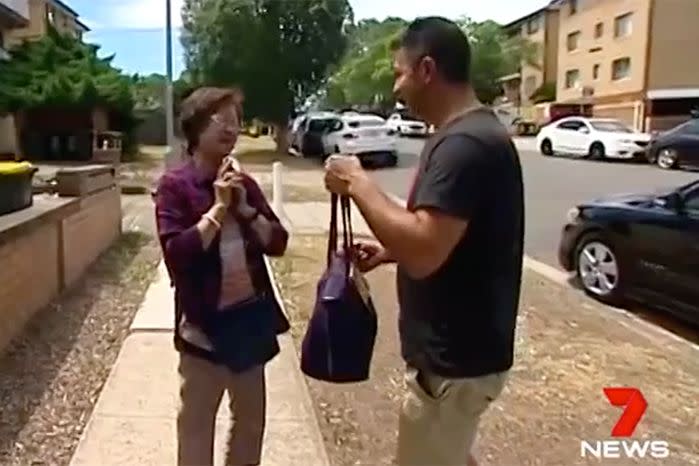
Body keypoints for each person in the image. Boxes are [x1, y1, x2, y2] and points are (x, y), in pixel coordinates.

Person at [324, 17, 525, 466]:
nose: (396, 87)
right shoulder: (462, 136)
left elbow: (425, 251)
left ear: (427, 70)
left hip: (455, 364)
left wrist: (357, 183)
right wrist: (389, 251)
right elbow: (451, 236)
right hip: (460, 361)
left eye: (400, 72)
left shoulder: (465, 145)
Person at [154, 86, 289, 466]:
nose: (232, 129)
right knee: (196, 427)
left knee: (250, 424)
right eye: (222, 120)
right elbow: (177, 255)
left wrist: (244, 210)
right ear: (196, 128)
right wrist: (216, 210)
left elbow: (277, 242)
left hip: (248, 324)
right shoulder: (174, 187)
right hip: (203, 331)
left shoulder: (244, 185)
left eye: (237, 121)